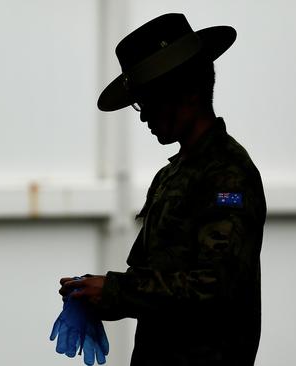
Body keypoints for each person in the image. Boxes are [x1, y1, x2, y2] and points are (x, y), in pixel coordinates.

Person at [59, 13, 266, 366]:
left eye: (148, 100)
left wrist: (113, 292)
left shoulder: (229, 174)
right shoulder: (172, 176)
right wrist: (96, 295)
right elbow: (155, 280)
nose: (142, 116)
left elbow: (214, 288)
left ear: (186, 92)